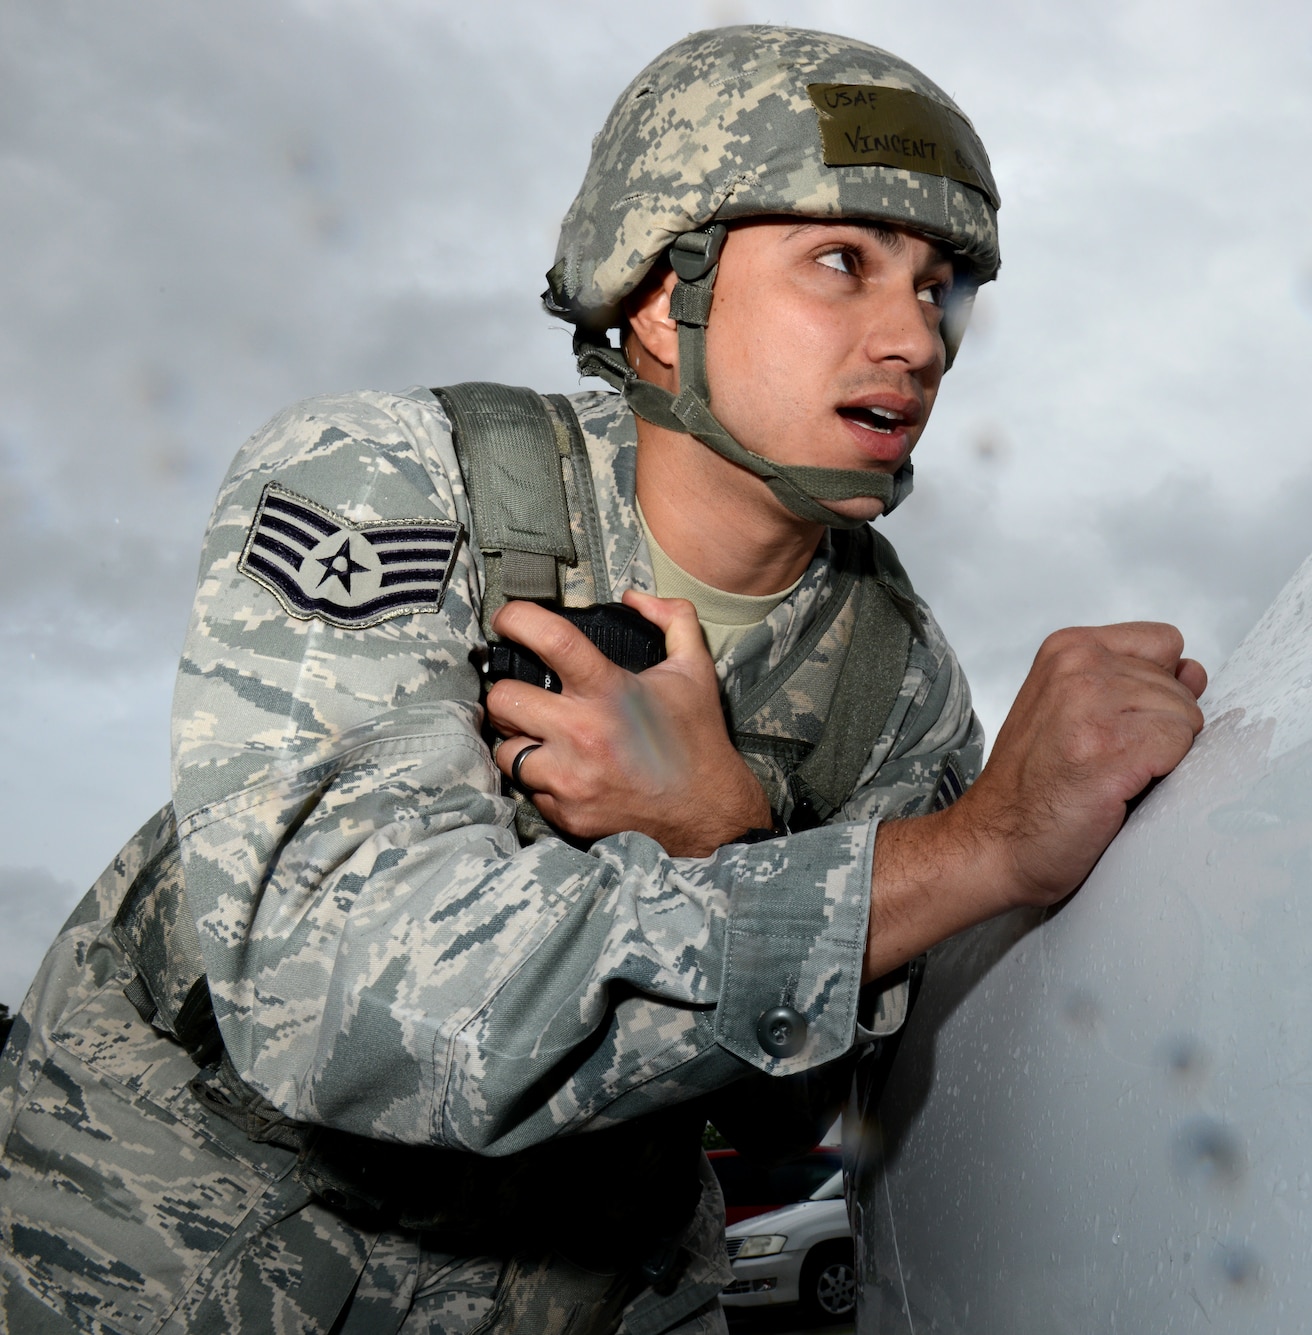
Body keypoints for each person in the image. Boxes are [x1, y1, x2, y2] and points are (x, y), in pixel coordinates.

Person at [0, 24, 1205, 1335]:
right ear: (656, 297)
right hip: (193, 1258)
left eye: (939, 286)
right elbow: (334, 1002)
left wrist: (726, 835)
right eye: (843, 265)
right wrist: (978, 852)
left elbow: (826, 1119)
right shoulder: (400, 483)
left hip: (584, 1279)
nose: (914, 339)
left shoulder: (892, 680)